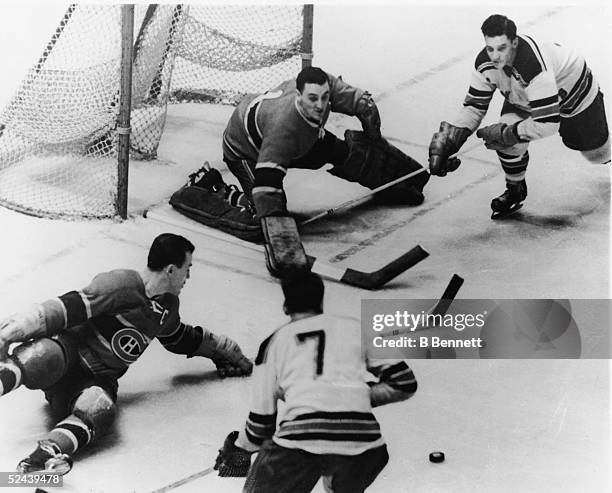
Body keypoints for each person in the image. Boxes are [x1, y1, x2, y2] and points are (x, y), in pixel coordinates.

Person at [0, 233, 252, 475]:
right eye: (188, 268)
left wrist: (222, 350)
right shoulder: (121, 285)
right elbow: (63, 309)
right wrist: (7, 334)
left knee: (100, 409)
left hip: (95, 379)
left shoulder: (167, 308)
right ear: (171, 270)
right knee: (42, 355)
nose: (188, 276)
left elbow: (181, 339)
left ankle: (39, 462)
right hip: (69, 354)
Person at [170, 66, 428, 274]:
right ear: (298, 96)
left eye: (325, 99)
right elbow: (266, 188)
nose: (320, 105)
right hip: (246, 151)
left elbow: (365, 105)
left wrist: (376, 142)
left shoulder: (323, 85)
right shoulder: (284, 131)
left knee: (345, 153)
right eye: (312, 99)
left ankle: (395, 182)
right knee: (260, 225)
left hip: (304, 138)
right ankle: (209, 187)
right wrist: (284, 245)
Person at [214, 272, 418, 493]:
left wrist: (239, 447)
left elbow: (261, 426)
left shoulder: (274, 342)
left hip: (299, 444)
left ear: (285, 307)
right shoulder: (356, 328)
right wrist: (351, 394)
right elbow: (404, 383)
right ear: (321, 301)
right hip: (366, 447)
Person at [428, 14, 610, 218]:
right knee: (507, 137)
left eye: (501, 48)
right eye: (490, 48)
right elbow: (474, 106)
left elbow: (548, 124)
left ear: (514, 42)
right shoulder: (484, 64)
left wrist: (506, 133)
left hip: (574, 95)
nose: (494, 56)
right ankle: (515, 189)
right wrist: (452, 140)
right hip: (526, 96)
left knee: (597, 154)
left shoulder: (532, 65)